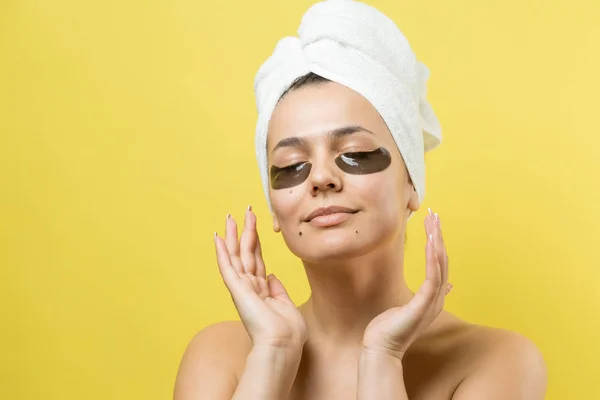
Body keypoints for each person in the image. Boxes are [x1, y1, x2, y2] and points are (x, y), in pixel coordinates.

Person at [174, 1, 547, 399]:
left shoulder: (496, 360)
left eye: (355, 153)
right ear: (273, 206)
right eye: (292, 163)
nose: (320, 177)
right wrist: (273, 355)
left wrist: (382, 358)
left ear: (411, 182)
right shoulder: (220, 356)